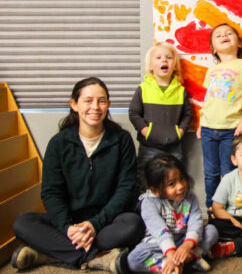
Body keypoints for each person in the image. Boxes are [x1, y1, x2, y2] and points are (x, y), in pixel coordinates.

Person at [11, 77, 144, 273]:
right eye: (88, 101)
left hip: (106, 221)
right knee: (23, 222)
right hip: (70, 221)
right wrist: (67, 228)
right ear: (74, 105)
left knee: (133, 225)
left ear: (108, 104)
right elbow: (51, 192)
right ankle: (94, 258)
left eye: (101, 101)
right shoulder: (59, 143)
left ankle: (48, 254)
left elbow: (126, 189)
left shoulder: (121, 139)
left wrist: (94, 224)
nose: (95, 107)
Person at [127, 153, 218, 273]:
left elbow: (195, 222)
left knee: (211, 230)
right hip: (158, 244)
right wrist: (170, 253)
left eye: (181, 179)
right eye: (171, 184)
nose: (180, 186)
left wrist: (188, 245)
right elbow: (159, 230)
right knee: (133, 259)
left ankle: (188, 257)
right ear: (155, 190)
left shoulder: (190, 197)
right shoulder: (148, 202)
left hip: (183, 240)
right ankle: (172, 266)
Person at [198, 23, 242, 208]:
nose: (224, 35)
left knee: (229, 171)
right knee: (210, 172)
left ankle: (231, 209)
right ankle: (212, 208)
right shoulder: (211, 70)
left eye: (228, 33)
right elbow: (207, 99)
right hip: (208, 128)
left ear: (239, 43)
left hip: (231, 128)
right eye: (218, 35)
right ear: (213, 49)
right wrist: (201, 123)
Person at [129, 42, 192, 192]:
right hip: (149, 147)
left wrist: (180, 132)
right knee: (145, 179)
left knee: (174, 178)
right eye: (158, 57)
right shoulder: (143, 89)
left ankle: (171, 211)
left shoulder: (180, 91)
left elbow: (187, 115)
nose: (164, 60)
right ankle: (144, 209)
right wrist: (146, 131)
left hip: (174, 147)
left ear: (175, 65)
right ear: (151, 65)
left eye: (169, 57)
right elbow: (134, 113)